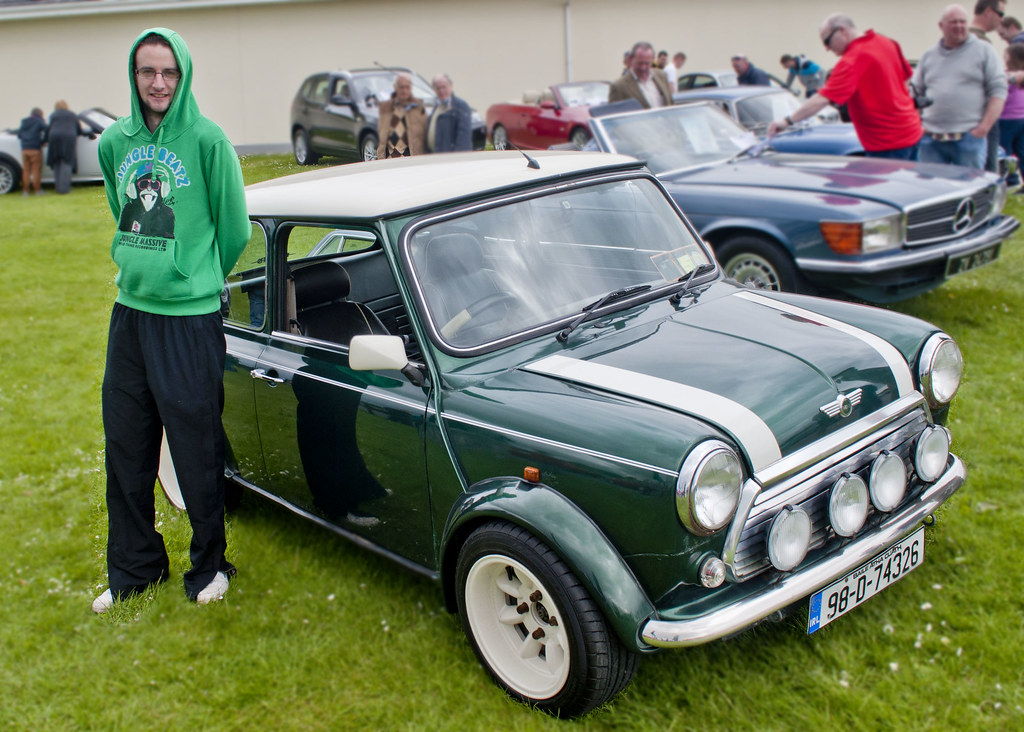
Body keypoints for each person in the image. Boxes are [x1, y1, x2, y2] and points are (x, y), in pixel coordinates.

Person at [92, 27, 250, 614]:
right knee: (126, 446)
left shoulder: (208, 141)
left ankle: (210, 564)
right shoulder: (114, 141)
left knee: (196, 446)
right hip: (130, 313)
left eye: (169, 72)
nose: (158, 83)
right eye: (146, 72)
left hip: (188, 320)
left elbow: (233, 229)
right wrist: (145, 265)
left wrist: (191, 276)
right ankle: (134, 570)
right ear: (134, 76)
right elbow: (120, 207)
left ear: (183, 75)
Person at [767, 14, 922, 160]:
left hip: (887, 145)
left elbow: (821, 100)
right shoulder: (887, 42)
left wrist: (787, 121)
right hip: (913, 133)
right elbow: (906, 78)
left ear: (842, 31)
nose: (827, 48)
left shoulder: (851, 61)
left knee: (888, 188)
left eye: (827, 42)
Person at [914, 4, 1007, 170]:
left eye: (962, 22)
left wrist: (983, 128)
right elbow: (915, 93)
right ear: (941, 26)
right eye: (953, 22)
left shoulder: (984, 51)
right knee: (932, 191)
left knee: (970, 191)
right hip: (931, 139)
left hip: (968, 139)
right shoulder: (929, 56)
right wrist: (917, 125)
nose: (959, 26)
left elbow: (998, 90)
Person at [376, 72, 428, 158]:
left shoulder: (418, 107)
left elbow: (425, 137)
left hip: (410, 162)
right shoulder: (385, 107)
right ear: (395, 87)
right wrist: (380, 159)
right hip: (390, 162)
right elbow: (381, 139)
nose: (404, 91)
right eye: (401, 87)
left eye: (407, 87)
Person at [609, 41, 673, 109]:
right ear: (631, 59)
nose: (643, 67)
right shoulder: (619, 87)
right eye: (640, 63)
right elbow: (615, 116)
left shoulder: (662, 76)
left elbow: (670, 103)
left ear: (653, 60)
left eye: (647, 63)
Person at [46, 100, 87, 194]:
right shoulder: (72, 115)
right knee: (66, 162)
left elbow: (48, 129)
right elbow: (79, 130)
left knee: (57, 161)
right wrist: (88, 133)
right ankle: (64, 189)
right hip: (68, 138)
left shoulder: (53, 115)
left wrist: (45, 140)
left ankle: (58, 187)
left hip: (54, 138)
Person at [999, 44, 1024, 185]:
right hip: (1022, 117)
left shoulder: (1009, 75)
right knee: (1021, 150)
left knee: (1004, 151)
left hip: (1007, 118)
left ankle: (1009, 179)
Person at [428, 74, 472, 152]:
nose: (441, 91)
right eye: (438, 88)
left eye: (444, 87)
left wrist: (455, 159)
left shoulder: (460, 107)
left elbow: (463, 139)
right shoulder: (437, 107)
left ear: (451, 86)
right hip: (436, 158)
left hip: (451, 160)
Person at [15, 107, 46, 195]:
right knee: (36, 169)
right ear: (40, 114)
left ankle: (25, 191)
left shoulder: (24, 121)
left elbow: (19, 134)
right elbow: (46, 129)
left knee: (26, 170)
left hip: (24, 148)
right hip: (35, 148)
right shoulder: (39, 121)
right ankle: (37, 190)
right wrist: (43, 141)